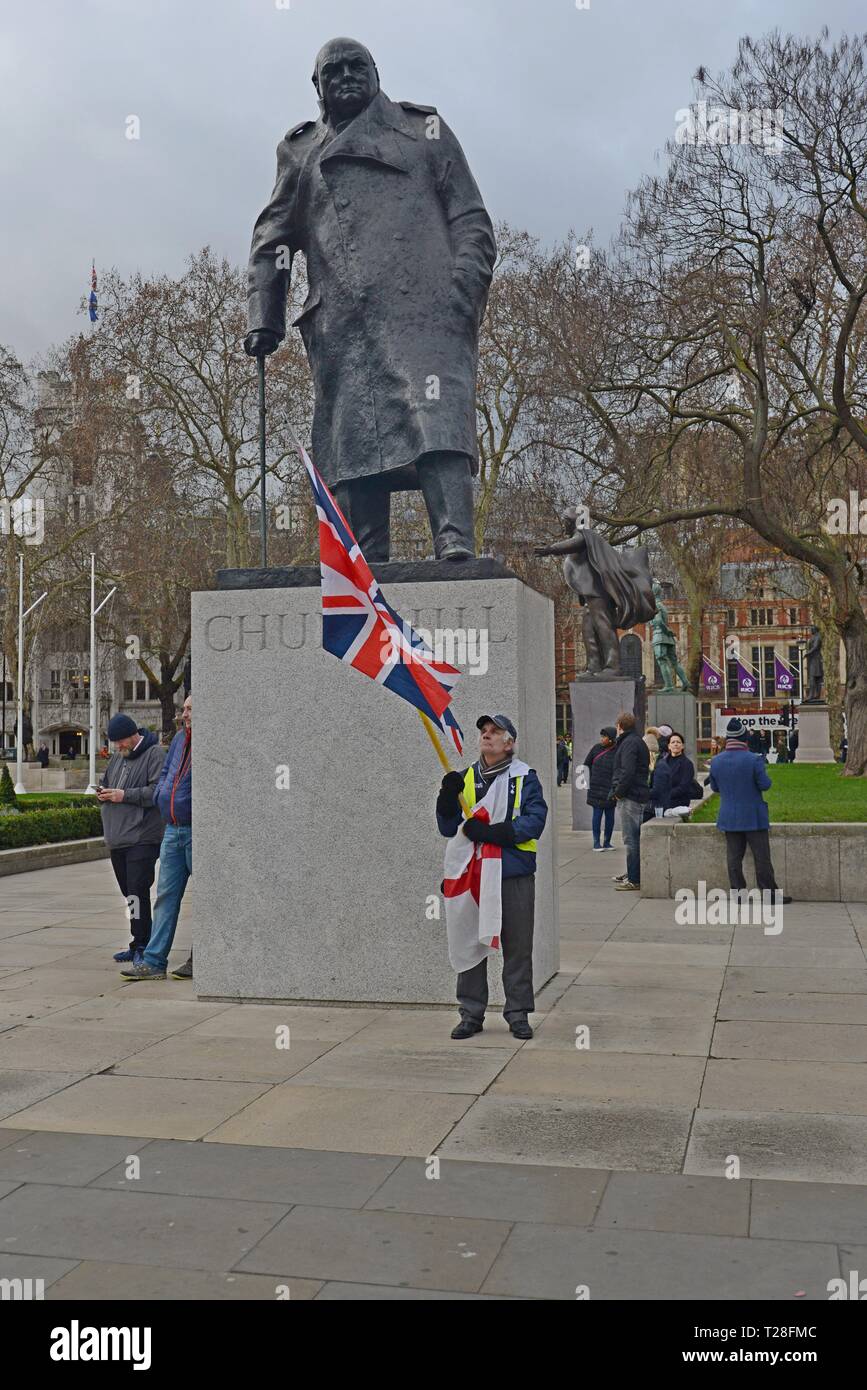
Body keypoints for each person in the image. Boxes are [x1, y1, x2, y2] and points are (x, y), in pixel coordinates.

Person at [245, 37, 496, 562]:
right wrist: (263, 317)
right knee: (355, 447)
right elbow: (273, 239)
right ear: (317, 87)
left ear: (377, 72)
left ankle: (454, 542)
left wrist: (463, 291)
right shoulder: (300, 151)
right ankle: (364, 563)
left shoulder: (423, 129)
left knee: (437, 418)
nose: (344, 78)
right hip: (344, 324)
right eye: (330, 72)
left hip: (428, 313)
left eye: (355, 67)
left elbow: (471, 219)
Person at [436, 714, 548, 1040]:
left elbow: (534, 822)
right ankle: (470, 1014)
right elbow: (447, 827)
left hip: (513, 874)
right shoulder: (464, 778)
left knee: (517, 946)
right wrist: (446, 797)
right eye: (484, 731)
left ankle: (518, 1014)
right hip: (473, 875)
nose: (487, 735)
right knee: (469, 943)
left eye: (495, 731)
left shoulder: (525, 777)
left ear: (509, 742)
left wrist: (493, 832)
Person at [120, 695, 193, 982]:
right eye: (184, 709)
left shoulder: (213, 735)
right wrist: (164, 794)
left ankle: (201, 957)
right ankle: (153, 961)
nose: (183, 714)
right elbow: (165, 774)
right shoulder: (178, 739)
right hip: (173, 829)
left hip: (197, 828)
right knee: (165, 897)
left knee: (209, 898)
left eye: (189, 709)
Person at [98, 714, 166, 964]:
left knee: (138, 892)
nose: (118, 747)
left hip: (142, 838)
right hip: (118, 838)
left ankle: (143, 945)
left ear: (132, 735)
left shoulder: (155, 754)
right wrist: (104, 793)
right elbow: (107, 782)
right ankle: (137, 940)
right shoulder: (118, 757)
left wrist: (123, 795)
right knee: (130, 895)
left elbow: (157, 791)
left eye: (121, 742)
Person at [708, 718, 791, 902]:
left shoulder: (716, 761)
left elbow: (714, 788)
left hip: (729, 815)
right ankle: (769, 894)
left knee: (733, 858)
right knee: (762, 858)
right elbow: (765, 784)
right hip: (753, 816)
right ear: (744, 738)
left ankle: (738, 894)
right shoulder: (754, 759)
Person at [610, 711, 651, 891]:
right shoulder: (636, 741)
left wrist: (618, 792)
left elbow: (627, 771)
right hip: (638, 793)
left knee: (631, 839)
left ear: (619, 726)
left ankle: (634, 878)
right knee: (634, 838)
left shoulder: (628, 743)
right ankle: (633, 872)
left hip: (631, 796)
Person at [582, 726, 617, 850]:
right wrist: (587, 783)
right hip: (596, 788)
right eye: (601, 736)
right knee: (597, 815)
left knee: (610, 817)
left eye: (605, 737)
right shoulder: (596, 748)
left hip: (610, 789)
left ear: (611, 739)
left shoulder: (617, 750)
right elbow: (586, 765)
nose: (602, 739)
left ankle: (607, 842)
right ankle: (596, 842)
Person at [651, 731, 696, 816]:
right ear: (669, 746)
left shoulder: (687, 764)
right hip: (660, 802)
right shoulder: (662, 762)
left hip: (678, 802)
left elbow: (684, 787)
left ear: (682, 746)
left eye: (678, 742)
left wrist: (665, 795)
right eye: (673, 742)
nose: (676, 744)